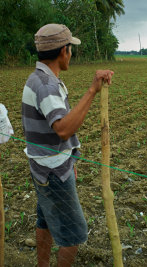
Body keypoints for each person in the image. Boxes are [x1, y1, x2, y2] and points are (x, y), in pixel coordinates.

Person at [22, 24, 114, 266]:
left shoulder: (38, 79)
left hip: (43, 165)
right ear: (64, 51)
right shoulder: (47, 85)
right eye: (71, 49)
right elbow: (63, 129)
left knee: (46, 220)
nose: (71, 54)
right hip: (53, 172)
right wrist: (92, 90)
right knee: (73, 233)